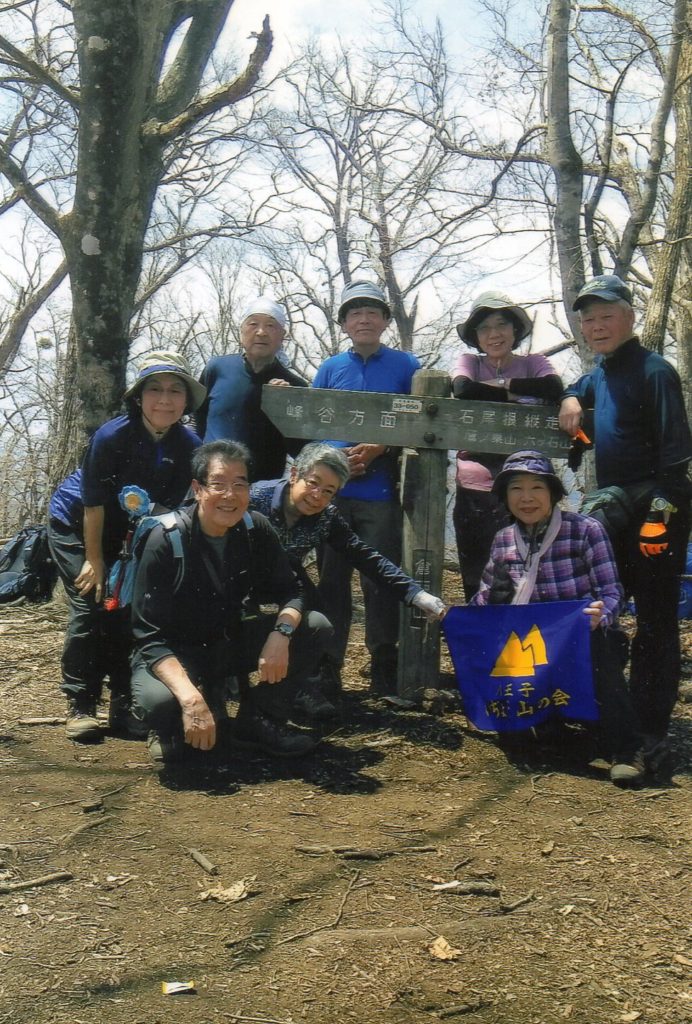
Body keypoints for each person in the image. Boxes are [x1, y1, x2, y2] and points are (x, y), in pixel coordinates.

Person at [129, 439, 332, 764]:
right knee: (161, 703)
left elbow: (292, 590)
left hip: (226, 642)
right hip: (172, 654)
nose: (230, 495)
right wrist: (191, 699)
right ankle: (168, 726)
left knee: (314, 626)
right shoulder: (166, 540)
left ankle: (259, 720)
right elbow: (148, 636)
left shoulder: (255, 528)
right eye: (218, 484)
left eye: (239, 484)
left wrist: (281, 633)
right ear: (198, 489)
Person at [558, 275, 691, 767]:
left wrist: (660, 516)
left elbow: (677, 456)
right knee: (603, 611)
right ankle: (614, 722)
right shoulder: (602, 370)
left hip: (657, 509)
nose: (596, 326)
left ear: (630, 317)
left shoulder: (655, 371)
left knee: (655, 620)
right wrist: (570, 397)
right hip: (614, 507)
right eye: (588, 319)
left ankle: (651, 732)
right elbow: (580, 385)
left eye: (606, 316)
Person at [47, 351, 205, 742]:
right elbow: (93, 504)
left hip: (134, 533)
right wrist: (95, 560)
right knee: (91, 603)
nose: (164, 400)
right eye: (155, 390)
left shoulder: (190, 445)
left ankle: (124, 701)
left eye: (175, 391)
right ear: (138, 397)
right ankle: (81, 703)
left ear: (187, 400)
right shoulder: (112, 436)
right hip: (78, 524)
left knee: (129, 607)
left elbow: (171, 510)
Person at [471, 450, 644, 786]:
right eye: (516, 489)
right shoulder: (504, 540)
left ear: (553, 493)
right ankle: (557, 730)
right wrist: (458, 617)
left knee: (600, 648)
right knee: (519, 742)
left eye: (537, 487)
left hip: (584, 641)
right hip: (531, 646)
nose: (526, 498)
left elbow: (612, 592)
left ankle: (627, 750)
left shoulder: (585, 530)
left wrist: (601, 615)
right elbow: (486, 596)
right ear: (505, 497)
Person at [250, 442, 447, 713]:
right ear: (294, 474)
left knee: (318, 615)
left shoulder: (326, 517)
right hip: (236, 577)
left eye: (328, 491)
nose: (317, 496)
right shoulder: (255, 497)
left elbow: (366, 557)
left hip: (284, 578)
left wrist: (416, 594)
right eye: (313, 483)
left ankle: (300, 687)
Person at [312, 281, 421, 694]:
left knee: (380, 582)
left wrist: (381, 447)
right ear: (344, 323)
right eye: (355, 313)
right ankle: (327, 666)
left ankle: (383, 663)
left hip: (381, 496)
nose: (364, 319)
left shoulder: (406, 365)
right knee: (331, 583)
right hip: (333, 497)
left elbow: (421, 420)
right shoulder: (330, 368)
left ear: (386, 320)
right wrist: (333, 460)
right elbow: (311, 425)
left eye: (372, 312)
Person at [452, 291, 563, 599]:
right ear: (476, 336)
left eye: (502, 324)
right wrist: (519, 394)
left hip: (526, 486)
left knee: (529, 570)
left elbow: (552, 387)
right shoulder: (470, 363)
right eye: (484, 328)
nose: (494, 334)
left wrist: (500, 385)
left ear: (515, 330)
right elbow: (462, 389)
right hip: (475, 487)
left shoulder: (534, 362)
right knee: (477, 573)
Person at [195, 297, 307, 481]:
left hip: (263, 487)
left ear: (283, 335)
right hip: (212, 482)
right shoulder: (217, 368)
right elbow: (198, 420)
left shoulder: (295, 386)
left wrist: (286, 405)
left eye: (271, 326)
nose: (261, 332)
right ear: (241, 331)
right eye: (253, 324)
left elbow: (300, 451)